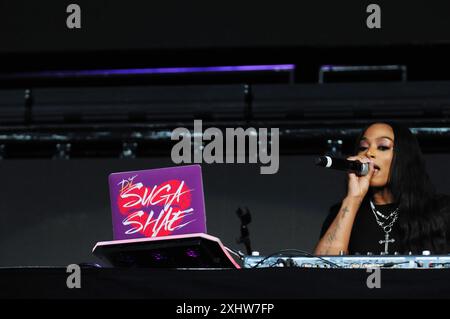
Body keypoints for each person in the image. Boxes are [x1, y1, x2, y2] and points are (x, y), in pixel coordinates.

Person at [314, 122, 450, 255]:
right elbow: (323, 270)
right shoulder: (341, 213)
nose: (369, 153)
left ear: (404, 157)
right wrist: (353, 198)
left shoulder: (441, 211)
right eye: (363, 147)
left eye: (383, 147)